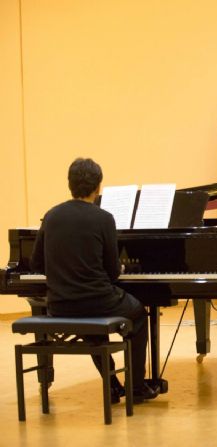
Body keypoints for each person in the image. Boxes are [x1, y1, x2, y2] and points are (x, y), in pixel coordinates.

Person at [30, 157, 158, 404]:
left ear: (70, 184)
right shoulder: (104, 218)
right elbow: (112, 273)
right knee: (139, 315)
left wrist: (65, 272)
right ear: (98, 187)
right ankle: (137, 387)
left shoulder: (51, 216)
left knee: (90, 324)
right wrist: (118, 267)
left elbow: (37, 264)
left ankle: (112, 385)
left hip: (60, 305)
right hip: (99, 301)